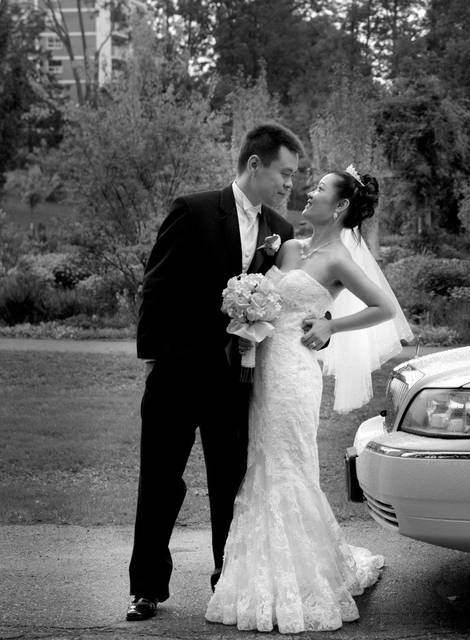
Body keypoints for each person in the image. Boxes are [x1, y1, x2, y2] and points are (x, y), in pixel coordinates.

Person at [204, 166, 411, 633]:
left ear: (339, 206)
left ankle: (303, 580)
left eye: (320, 188)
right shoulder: (291, 247)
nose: (310, 192)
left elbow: (385, 308)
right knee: (260, 461)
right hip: (260, 370)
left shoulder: (337, 258)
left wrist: (330, 325)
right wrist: (247, 322)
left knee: (289, 463)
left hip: (295, 374)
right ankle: (259, 574)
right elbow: (268, 304)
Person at [127, 123, 304, 622]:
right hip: (178, 376)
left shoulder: (280, 229)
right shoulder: (194, 209)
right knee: (160, 481)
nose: (290, 185)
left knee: (231, 485)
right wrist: (159, 359)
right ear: (255, 165)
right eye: (284, 174)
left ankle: (226, 581)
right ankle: (145, 588)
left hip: (236, 383)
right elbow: (156, 287)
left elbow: (286, 303)